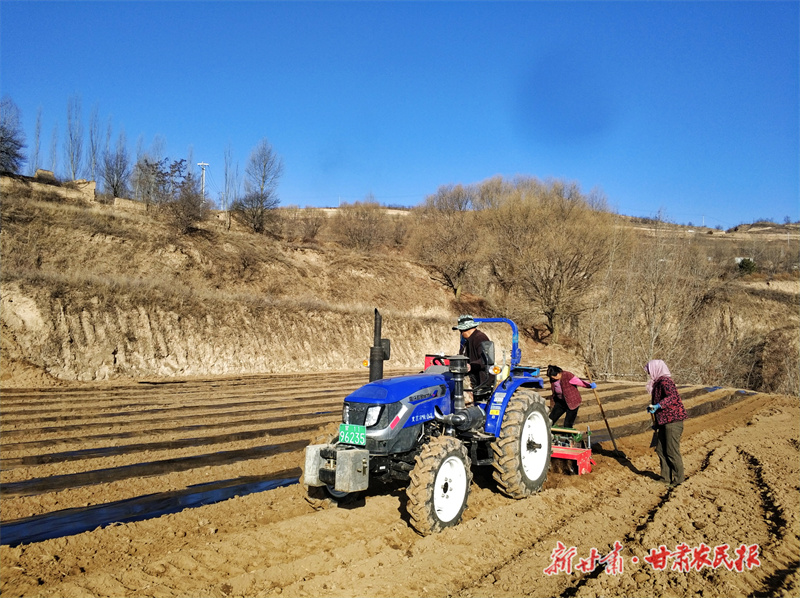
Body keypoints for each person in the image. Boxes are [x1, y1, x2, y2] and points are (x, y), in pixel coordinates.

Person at [645, 359, 687, 487]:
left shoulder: (665, 381)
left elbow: (673, 397)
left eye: (649, 370)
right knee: (660, 450)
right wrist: (656, 420)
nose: (648, 373)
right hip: (664, 422)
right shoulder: (657, 383)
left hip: (673, 422)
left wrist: (659, 405)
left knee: (671, 451)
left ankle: (679, 479)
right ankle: (665, 478)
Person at [453, 314, 493, 400]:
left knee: (460, 387)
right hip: (472, 376)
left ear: (464, 330)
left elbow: (486, 359)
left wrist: (471, 366)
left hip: (481, 379)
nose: (461, 333)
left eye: (460, 331)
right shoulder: (468, 341)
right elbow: (463, 356)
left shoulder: (480, 338)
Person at [547, 365, 595, 429]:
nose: (552, 379)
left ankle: (568, 437)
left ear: (558, 374)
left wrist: (589, 385)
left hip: (572, 402)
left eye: (553, 377)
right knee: (551, 419)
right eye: (551, 377)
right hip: (561, 402)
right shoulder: (553, 379)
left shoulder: (568, 376)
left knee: (567, 424)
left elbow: (579, 382)